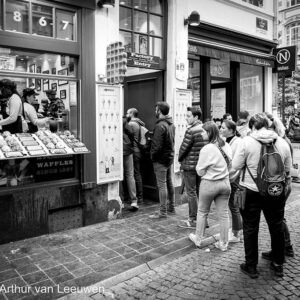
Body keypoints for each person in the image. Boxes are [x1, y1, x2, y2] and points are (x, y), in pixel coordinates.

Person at [232, 113, 292, 278]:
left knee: (250, 228)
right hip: (275, 190)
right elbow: (287, 170)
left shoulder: (246, 142)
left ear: (253, 127)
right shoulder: (282, 142)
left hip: (251, 190)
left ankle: (251, 266)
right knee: (277, 225)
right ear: (268, 125)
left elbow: (236, 165)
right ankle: (278, 263)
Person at [189, 121, 232, 251]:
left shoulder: (207, 149)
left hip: (209, 184)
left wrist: (209, 170)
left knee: (202, 212)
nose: (201, 133)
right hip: (225, 182)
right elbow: (230, 165)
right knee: (224, 214)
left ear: (209, 133)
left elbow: (200, 171)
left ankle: (198, 239)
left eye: (203, 131)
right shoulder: (226, 145)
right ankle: (224, 243)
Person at [263, 113, 294, 258]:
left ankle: (285, 248)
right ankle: (283, 248)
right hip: (284, 183)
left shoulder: (279, 143)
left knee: (277, 218)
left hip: (280, 184)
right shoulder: (283, 141)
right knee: (279, 217)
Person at [178, 107, 208, 228]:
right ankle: (203, 219)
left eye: (188, 116)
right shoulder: (204, 129)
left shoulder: (191, 131)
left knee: (191, 193)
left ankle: (193, 219)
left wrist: (179, 158)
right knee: (199, 192)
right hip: (200, 166)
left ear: (196, 117)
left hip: (190, 166)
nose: (186, 118)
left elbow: (184, 148)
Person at [149, 101, 175, 219]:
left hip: (161, 159)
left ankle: (163, 212)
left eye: (156, 110)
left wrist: (152, 156)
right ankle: (172, 207)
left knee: (162, 185)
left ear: (159, 111)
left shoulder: (160, 126)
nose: (155, 111)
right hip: (169, 157)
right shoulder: (171, 124)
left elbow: (157, 146)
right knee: (168, 182)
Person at [220, 120, 243, 242]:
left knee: (233, 206)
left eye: (223, 128)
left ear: (231, 130)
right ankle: (236, 229)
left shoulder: (237, 142)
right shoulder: (225, 140)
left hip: (233, 178)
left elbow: (235, 163)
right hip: (227, 176)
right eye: (221, 127)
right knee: (231, 205)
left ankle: (236, 233)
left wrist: (229, 176)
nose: (221, 129)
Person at [126, 108, 146, 204]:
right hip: (139, 151)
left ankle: (136, 197)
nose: (126, 114)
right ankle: (141, 197)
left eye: (127, 113)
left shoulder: (131, 124)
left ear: (131, 114)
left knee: (133, 175)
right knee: (138, 173)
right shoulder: (139, 123)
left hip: (133, 151)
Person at [122, 117, 139, 211]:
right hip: (127, 150)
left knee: (118, 175)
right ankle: (134, 200)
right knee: (130, 175)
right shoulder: (124, 121)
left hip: (116, 150)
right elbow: (131, 134)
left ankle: (121, 200)